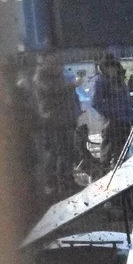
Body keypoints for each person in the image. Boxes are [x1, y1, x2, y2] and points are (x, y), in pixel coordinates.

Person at [34, 62, 81, 198]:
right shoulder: (41, 78)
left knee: (67, 153)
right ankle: (55, 185)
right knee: (57, 154)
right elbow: (53, 92)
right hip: (53, 123)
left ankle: (68, 181)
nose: (60, 67)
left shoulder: (60, 79)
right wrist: (72, 85)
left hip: (66, 121)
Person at [91, 52, 133, 165]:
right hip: (110, 123)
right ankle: (104, 173)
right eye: (110, 67)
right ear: (104, 67)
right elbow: (95, 102)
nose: (112, 70)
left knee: (121, 155)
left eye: (114, 67)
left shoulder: (119, 80)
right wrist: (111, 114)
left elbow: (126, 98)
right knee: (107, 155)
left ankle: (118, 172)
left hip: (124, 121)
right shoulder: (99, 81)